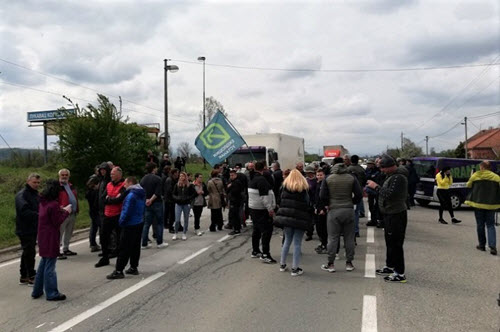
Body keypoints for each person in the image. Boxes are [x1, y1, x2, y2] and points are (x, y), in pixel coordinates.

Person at [367, 155, 409, 283]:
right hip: (389, 214)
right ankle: (390, 266)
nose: (381, 170)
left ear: (391, 167)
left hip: (396, 214)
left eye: (383, 168)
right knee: (390, 242)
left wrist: (376, 187)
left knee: (396, 244)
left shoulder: (398, 177)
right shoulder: (392, 176)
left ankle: (399, 273)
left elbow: (389, 194)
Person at [31, 179, 72, 301]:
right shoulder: (53, 204)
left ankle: (37, 290)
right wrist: (66, 212)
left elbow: (49, 216)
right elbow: (57, 221)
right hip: (51, 237)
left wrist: (60, 210)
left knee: (43, 264)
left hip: (43, 236)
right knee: (50, 266)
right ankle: (51, 293)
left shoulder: (43, 202)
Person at [319, 161, 362, 273]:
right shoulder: (351, 178)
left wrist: (327, 204)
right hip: (348, 209)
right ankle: (349, 263)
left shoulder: (328, 178)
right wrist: (352, 202)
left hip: (334, 210)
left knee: (333, 238)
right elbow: (359, 194)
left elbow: (322, 195)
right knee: (349, 237)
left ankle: (331, 263)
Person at [107, 177, 146, 279]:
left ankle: (119, 270)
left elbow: (127, 210)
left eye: (125, 183)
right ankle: (133, 267)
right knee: (135, 246)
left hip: (130, 224)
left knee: (124, 247)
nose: (124, 185)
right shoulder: (141, 193)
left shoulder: (131, 195)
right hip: (139, 222)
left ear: (130, 183)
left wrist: (121, 221)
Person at [274, 169, 311, 276]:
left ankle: (282, 264)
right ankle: (295, 268)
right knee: (297, 243)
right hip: (300, 217)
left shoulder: (284, 187)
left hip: (286, 217)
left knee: (287, 241)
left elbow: (280, 201)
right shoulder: (303, 189)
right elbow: (308, 203)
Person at [465, 161, 500, 255]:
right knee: (490, 225)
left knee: (480, 225)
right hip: (491, 205)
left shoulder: (476, 175)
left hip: (478, 204)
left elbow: (468, 185)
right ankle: (492, 247)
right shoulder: (496, 177)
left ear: (482, 167)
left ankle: (482, 245)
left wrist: (471, 176)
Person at [95, 167, 126, 268]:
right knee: (104, 237)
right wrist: (112, 199)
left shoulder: (124, 185)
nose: (111, 175)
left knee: (120, 238)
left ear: (119, 174)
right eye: (111, 174)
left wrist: (110, 199)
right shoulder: (108, 184)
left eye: (113, 174)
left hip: (118, 215)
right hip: (107, 215)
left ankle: (120, 259)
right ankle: (105, 258)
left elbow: (120, 199)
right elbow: (103, 198)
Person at [248, 161, 277, 263]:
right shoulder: (261, 180)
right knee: (266, 232)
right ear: (264, 168)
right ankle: (265, 254)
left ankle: (255, 250)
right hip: (261, 210)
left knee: (256, 230)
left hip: (253, 209)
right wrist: (270, 209)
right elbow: (264, 197)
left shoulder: (252, 179)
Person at [15, 173, 41, 285]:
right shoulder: (22, 195)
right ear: (28, 181)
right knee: (30, 252)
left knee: (27, 251)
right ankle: (31, 275)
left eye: (38, 182)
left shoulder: (35, 194)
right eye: (34, 182)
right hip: (25, 228)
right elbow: (24, 211)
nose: (36, 184)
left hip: (33, 227)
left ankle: (24, 276)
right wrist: (40, 215)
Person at [140, 162, 168, 249]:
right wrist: (151, 200)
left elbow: (141, 192)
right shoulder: (158, 179)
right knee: (159, 222)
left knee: (146, 223)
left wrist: (147, 200)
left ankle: (144, 243)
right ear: (153, 169)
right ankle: (159, 242)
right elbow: (157, 192)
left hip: (146, 202)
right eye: (155, 168)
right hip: (157, 202)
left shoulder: (143, 179)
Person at [57, 169, 78, 259]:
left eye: (66, 175)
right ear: (59, 176)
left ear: (69, 176)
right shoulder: (57, 187)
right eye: (62, 175)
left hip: (72, 213)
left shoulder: (71, 186)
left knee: (69, 232)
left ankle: (66, 249)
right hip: (62, 213)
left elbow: (74, 197)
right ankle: (56, 251)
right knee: (59, 233)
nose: (64, 176)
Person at [172, 172, 196, 240]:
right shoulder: (177, 185)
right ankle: (175, 232)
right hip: (178, 204)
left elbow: (194, 194)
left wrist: (188, 198)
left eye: (182, 176)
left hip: (186, 204)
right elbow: (173, 194)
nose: (181, 177)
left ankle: (184, 233)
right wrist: (177, 198)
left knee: (186, 219)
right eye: (180, 176)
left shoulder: (189, 185)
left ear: (185, 177)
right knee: (177, 220)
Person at [348, 155, 367, 238]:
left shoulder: (348, 169)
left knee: (350, 212)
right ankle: (356, 231)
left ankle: (350, 231)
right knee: (356, 211)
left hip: (350, 191)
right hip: (359, 189)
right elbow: (365, 179)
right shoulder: (361, 169)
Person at [85, 175, 101, 252]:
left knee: (93, 228)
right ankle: (96, 243)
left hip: (92, 211)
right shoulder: (95, 192)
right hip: (96, 211)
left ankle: (92, 243)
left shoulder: (88, 191)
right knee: (100, 227)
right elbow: (96, 202)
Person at [314, 169, 328, 254]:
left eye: (321, 175)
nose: (319, 176)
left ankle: (325, 245)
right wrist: (316, 207)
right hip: (318, 208)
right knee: (318, 227)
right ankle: (323, 243)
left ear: (324, 175)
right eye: (318, 175)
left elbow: (324, 198)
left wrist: (323, 209)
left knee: (323, 228)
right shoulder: (318, 183)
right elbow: (317, 198)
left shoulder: (324, 184)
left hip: (323, 209)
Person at [227, 169, 244, 235]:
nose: (231, 177)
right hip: (234, 199)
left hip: (235, 200)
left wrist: (229, 187)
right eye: (230, 175)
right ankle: (237, 228)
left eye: (232, 175)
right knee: (234, 214)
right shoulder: (233, 182)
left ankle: (236, 229)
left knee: (234, 215)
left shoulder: (236, 182)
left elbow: (235, 191)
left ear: (235, 175)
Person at [164, 168, 179, 233]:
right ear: (174, 173)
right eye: (177, 173)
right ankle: (170, 227)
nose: (178, 174)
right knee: (171, 214)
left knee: (171, 214)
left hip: (171, 199)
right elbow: (170, 191)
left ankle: (171, 225)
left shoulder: (172, 179)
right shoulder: (170, 180)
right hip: (170, 200)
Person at [365, 160, 380, 226]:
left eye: (370, 164)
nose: (369, 165)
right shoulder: (367, 170)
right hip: (370, 190)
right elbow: (366, 178)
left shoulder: (377, 170)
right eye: (368, 164)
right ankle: (373, 220)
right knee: (371, 205)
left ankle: (378, 220)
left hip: (376, 189)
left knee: (377, 206)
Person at [304, 165, 317, 241]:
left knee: (315, 219)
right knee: (308, 219)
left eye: (308, 172)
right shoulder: (305, 180)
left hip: (314, 202)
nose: (307, 174)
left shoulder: (316, 180)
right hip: (307, 202)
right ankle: (309, 234)